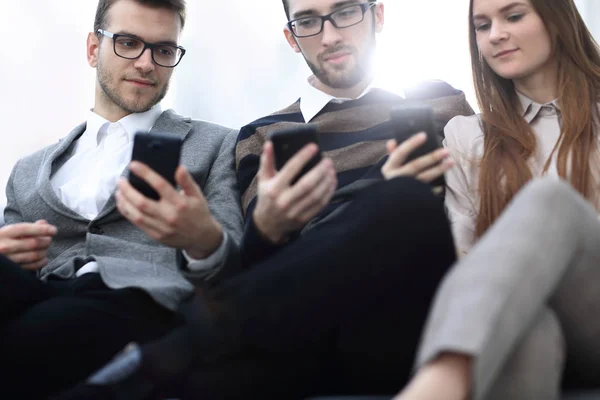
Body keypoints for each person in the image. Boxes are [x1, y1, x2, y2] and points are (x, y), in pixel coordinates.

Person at [55, 1, 475, 398]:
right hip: (302, 327)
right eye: (308, 21)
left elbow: (487, 195)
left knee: (406, 201)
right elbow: (258, 271)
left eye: (345, 13)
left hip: (407, 313)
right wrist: (267, 228)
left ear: (376, 15)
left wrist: (384, 190)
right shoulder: (262, 135)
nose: (329, 36)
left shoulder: (439, 101)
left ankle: (168, 354)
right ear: (292, 38)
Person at [0, 0, 243, 397]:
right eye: (128, 43)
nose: (147, 63)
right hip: (41, 293)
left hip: (139, 302)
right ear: (94, 49)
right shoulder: (28, 169)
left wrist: (203, 239)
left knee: (31, 336)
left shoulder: (216, 144)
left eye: (163, 50)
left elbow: (232, 259)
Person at [398, 0, 600, 399]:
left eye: (513, 16)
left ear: (556, 17)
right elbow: (464, 257)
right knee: (527, 332)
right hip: (529, 318)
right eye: (481, 25)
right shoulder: (465, 136)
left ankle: (438, 385)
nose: (495, 35)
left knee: (549, 200)